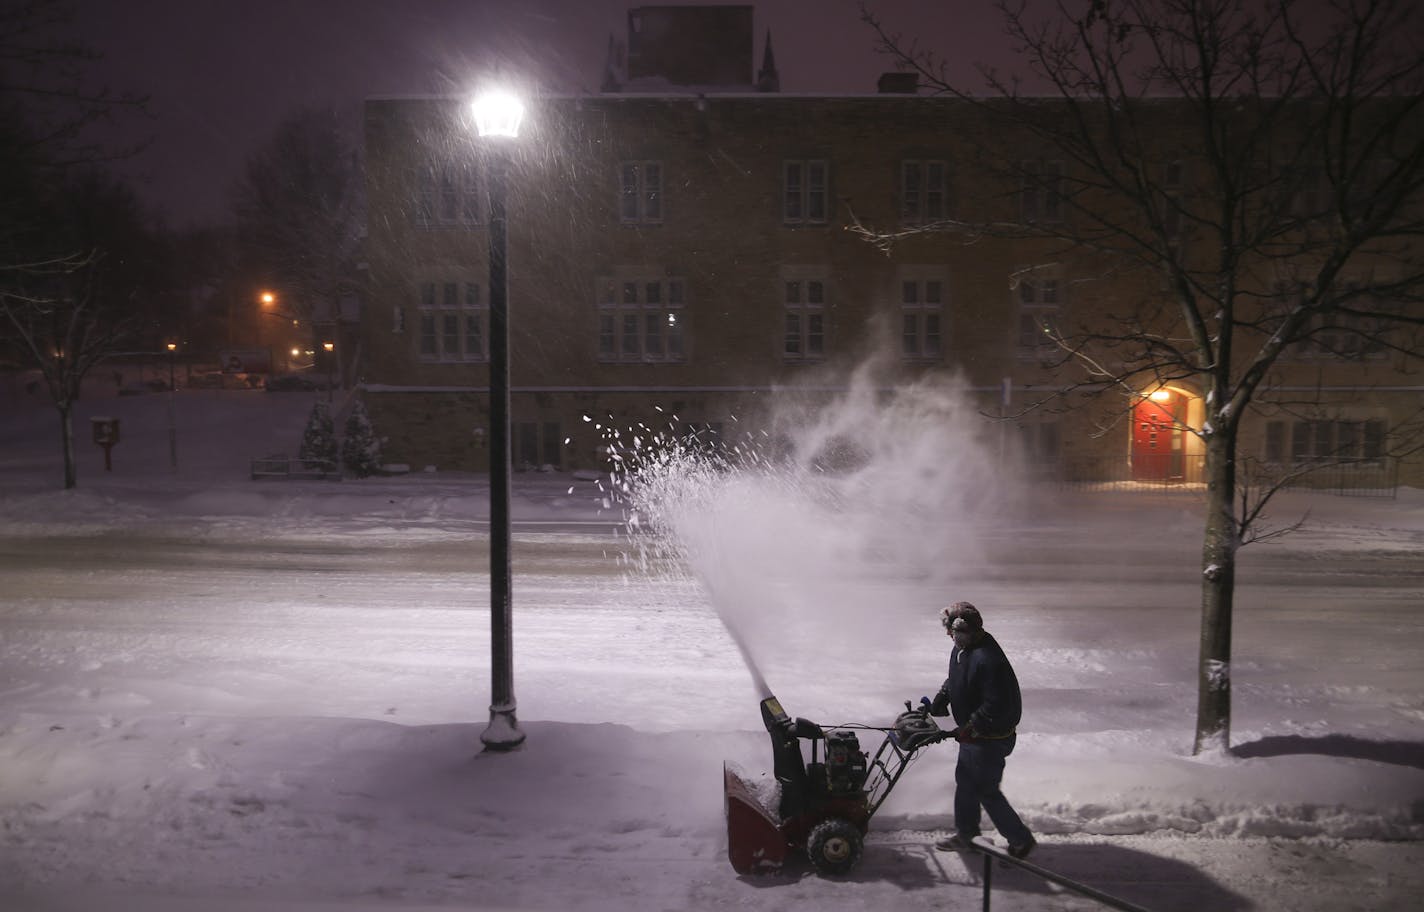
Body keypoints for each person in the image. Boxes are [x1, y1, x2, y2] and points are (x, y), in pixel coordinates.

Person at [927, 601, 1036, 860]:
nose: (948, 636)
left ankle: (1020, 840)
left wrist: (971, 726)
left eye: (953, 632)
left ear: (967, 631)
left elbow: (995, 704)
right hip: (975, 737)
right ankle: (966, 834)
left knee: (985, 790)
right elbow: (958, 676)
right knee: (966, 784)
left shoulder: (988, 659)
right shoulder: (963, 648)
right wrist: (944, 695)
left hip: (990, 738)